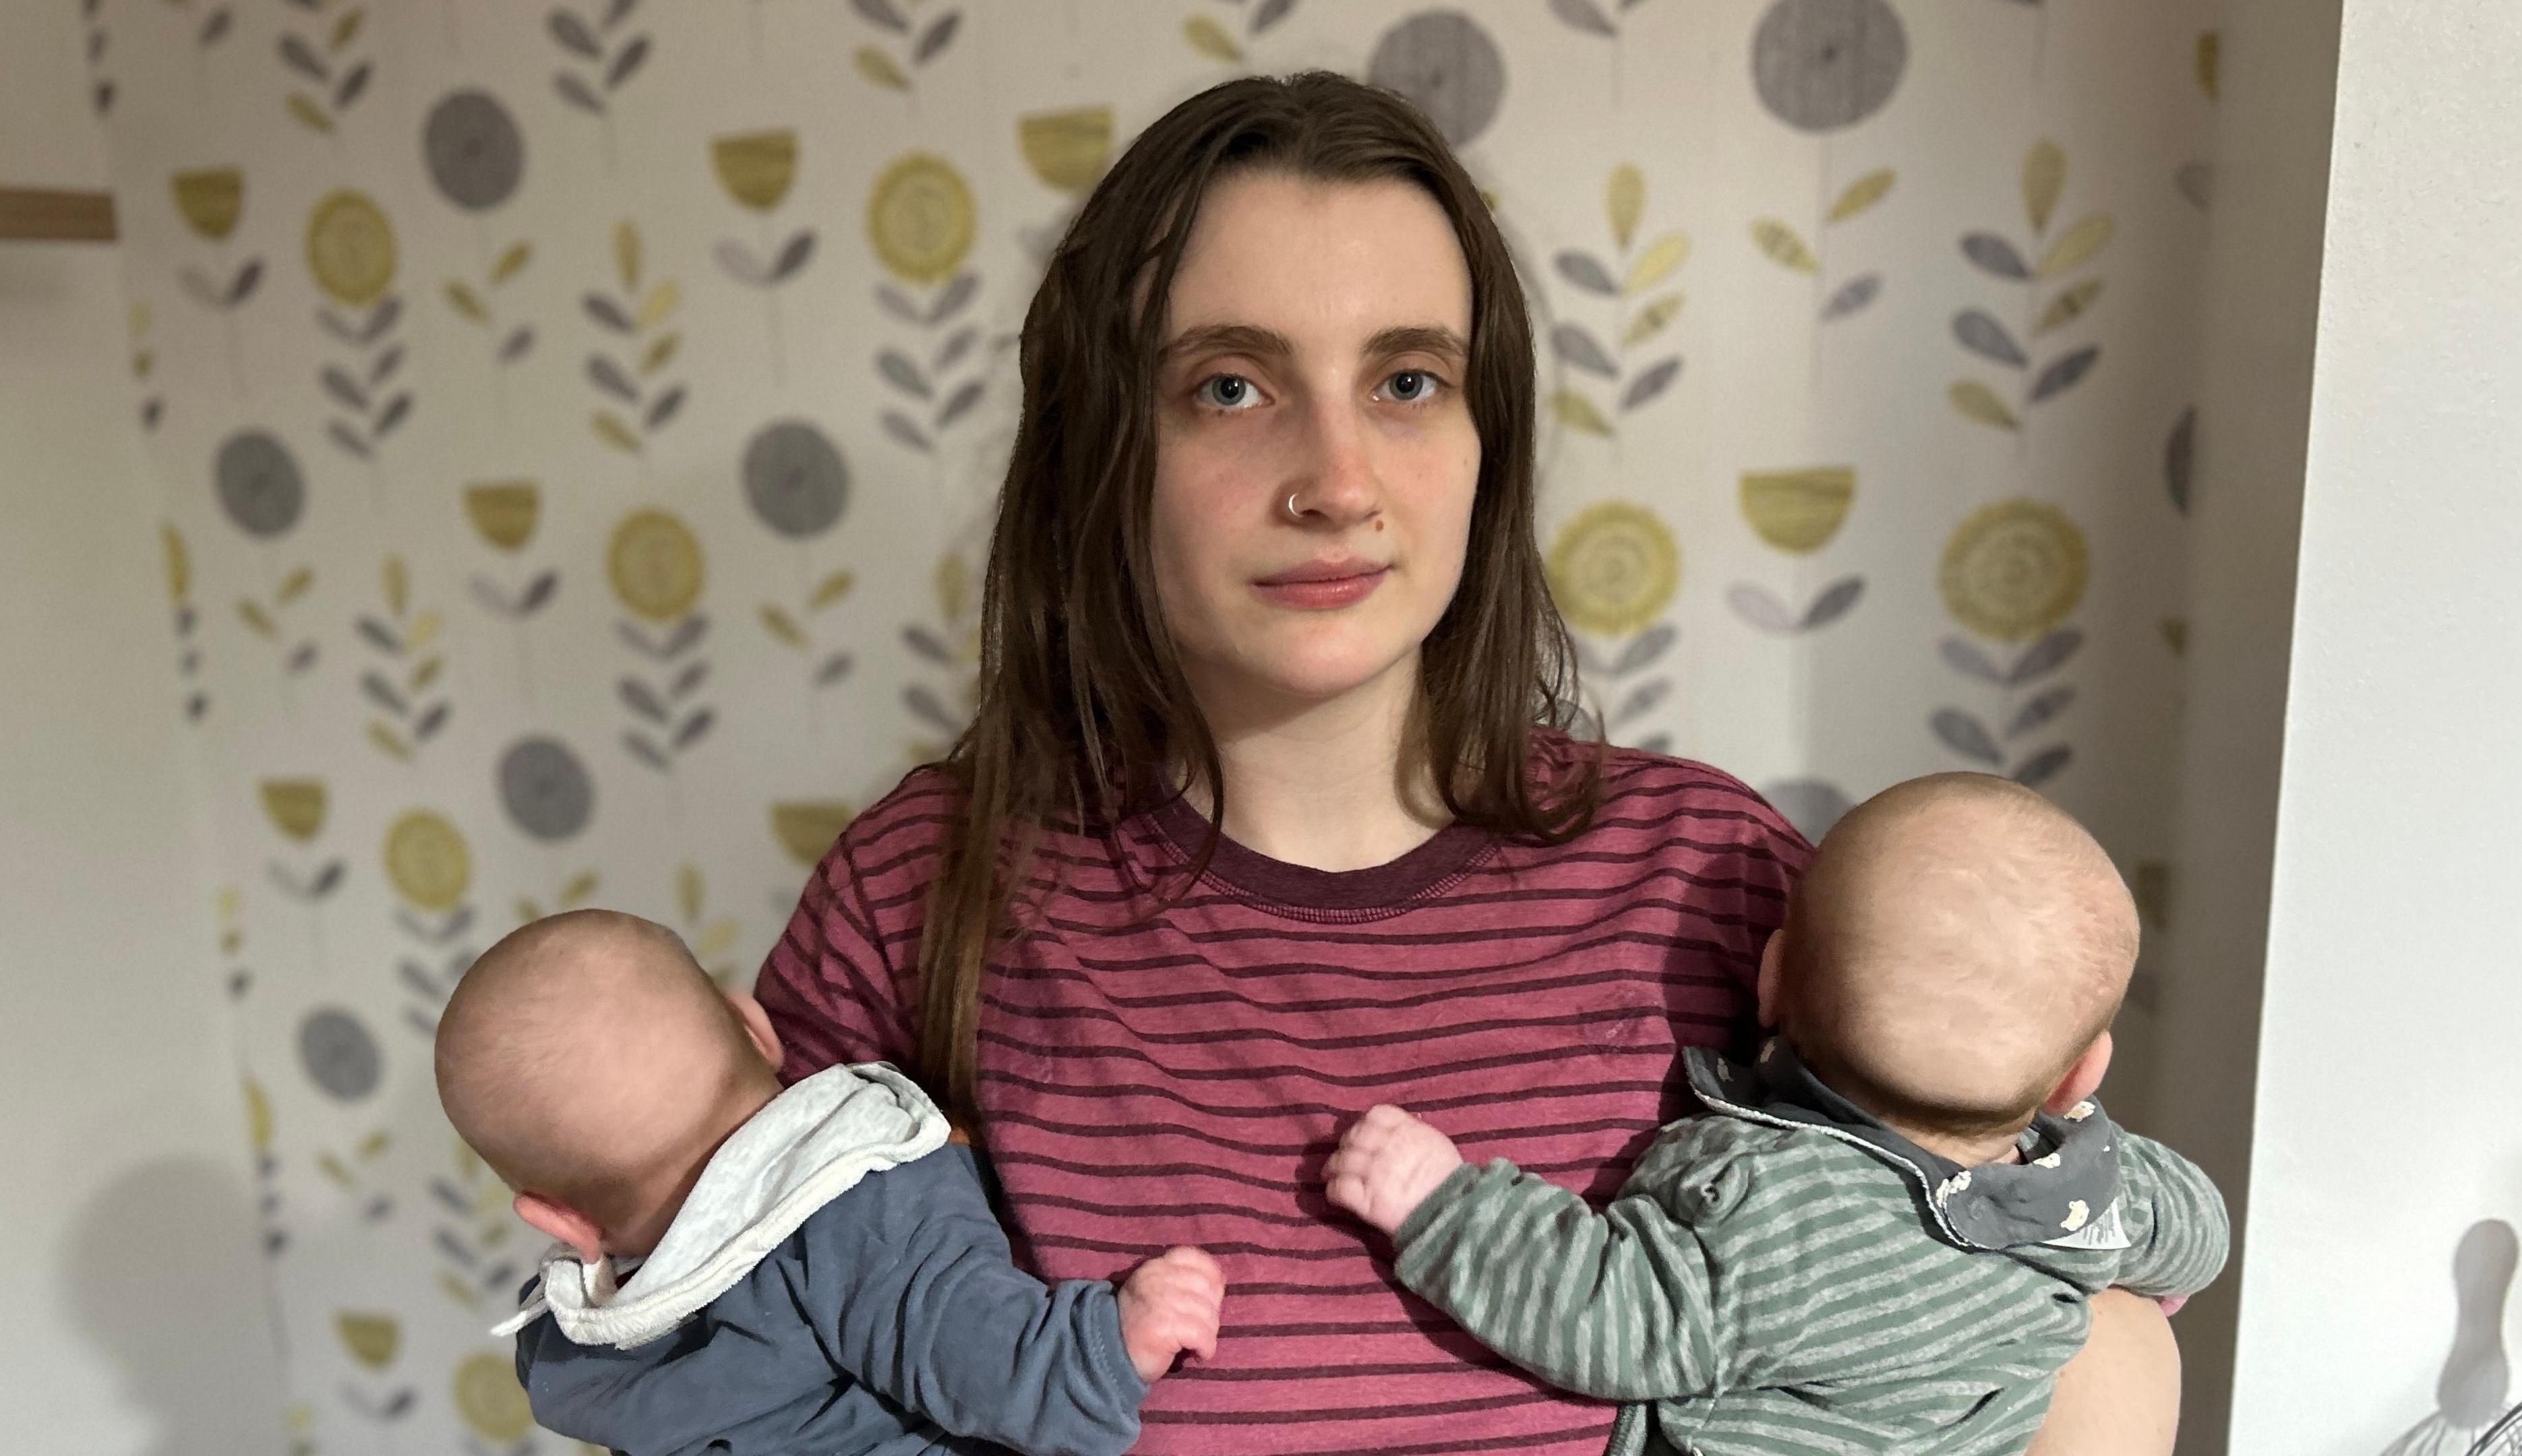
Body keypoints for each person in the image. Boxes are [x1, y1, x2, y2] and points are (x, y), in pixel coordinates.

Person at [754, 70, 2184, 1456]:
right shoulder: (919, 894)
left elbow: (2045, 1298)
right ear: (1102, 447)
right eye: (1232, 387)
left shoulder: (1724, 881)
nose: (1337, 482)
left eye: (1408, 380)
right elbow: (739, 1373)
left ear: (1489, 441)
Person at [1323, 774, 2231, 1455]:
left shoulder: (1773, 1210)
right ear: (2082, 1073)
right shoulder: (2089, 1199)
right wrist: (2139, 1260)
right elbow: (2201, 1236)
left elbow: (1611, 1317)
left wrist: (1444, 1203)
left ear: (1768, 979)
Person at [436, 909, 1224, 1456]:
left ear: (559, 1220)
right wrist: (1109, 1344)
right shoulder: (850, 1197)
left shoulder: (599, 1360)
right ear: (756, 1027)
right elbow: (975, 1351)